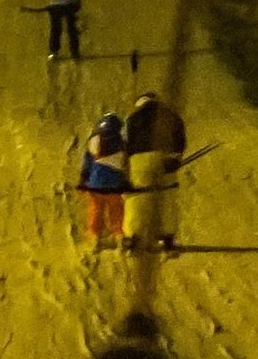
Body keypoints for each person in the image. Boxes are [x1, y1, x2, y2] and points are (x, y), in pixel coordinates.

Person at [122, 91, 190, 252]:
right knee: (166, 197)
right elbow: (180, 138)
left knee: (136, 198)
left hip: (139, 159)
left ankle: (132, 236)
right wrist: (176, 158)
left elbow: (124, 142)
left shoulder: (132, 118)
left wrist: (125, 167)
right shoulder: (171, 115)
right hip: (165, 157)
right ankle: (167, 237)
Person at [74, 110, 132, 248]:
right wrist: (126, 181)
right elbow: (125, 164)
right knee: (116, 210)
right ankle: (118, 235)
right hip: (114, 185)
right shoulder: (122, 143)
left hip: (95, 184)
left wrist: (83, 179)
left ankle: (94, 236)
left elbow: (87, 163)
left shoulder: (94, 140)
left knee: (95, 210)